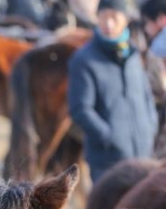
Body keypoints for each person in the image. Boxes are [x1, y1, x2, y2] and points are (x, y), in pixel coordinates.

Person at [68, 0, 158, 182]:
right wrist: (108, 136)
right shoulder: (84, 59)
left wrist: (150, 126)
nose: (108, 24)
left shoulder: (133, 55)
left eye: (114, 17)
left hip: (143, 157)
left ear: (125, 20)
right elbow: (80, 109)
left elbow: (146, 97)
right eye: (103, 17)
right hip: (107, 163)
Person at [142, 0, 166, 155]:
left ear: (161, 19)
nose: (145, 28)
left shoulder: (159, 47)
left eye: (146, 22)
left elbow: (159, 87)